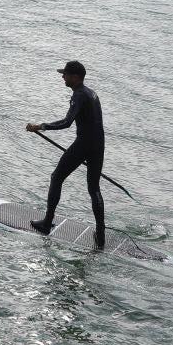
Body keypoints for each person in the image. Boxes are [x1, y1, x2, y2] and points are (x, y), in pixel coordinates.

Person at [25, 60, 106, 248]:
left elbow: (67, 122)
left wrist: (41, 126)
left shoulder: (79, 95)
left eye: (66, 74)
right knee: (94, 189)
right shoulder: (91, 93)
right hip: (99, 145)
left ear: (76, 77)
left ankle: (46, 223)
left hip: (84, 144)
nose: (63, 77)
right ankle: (101, 236)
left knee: (56, 177)